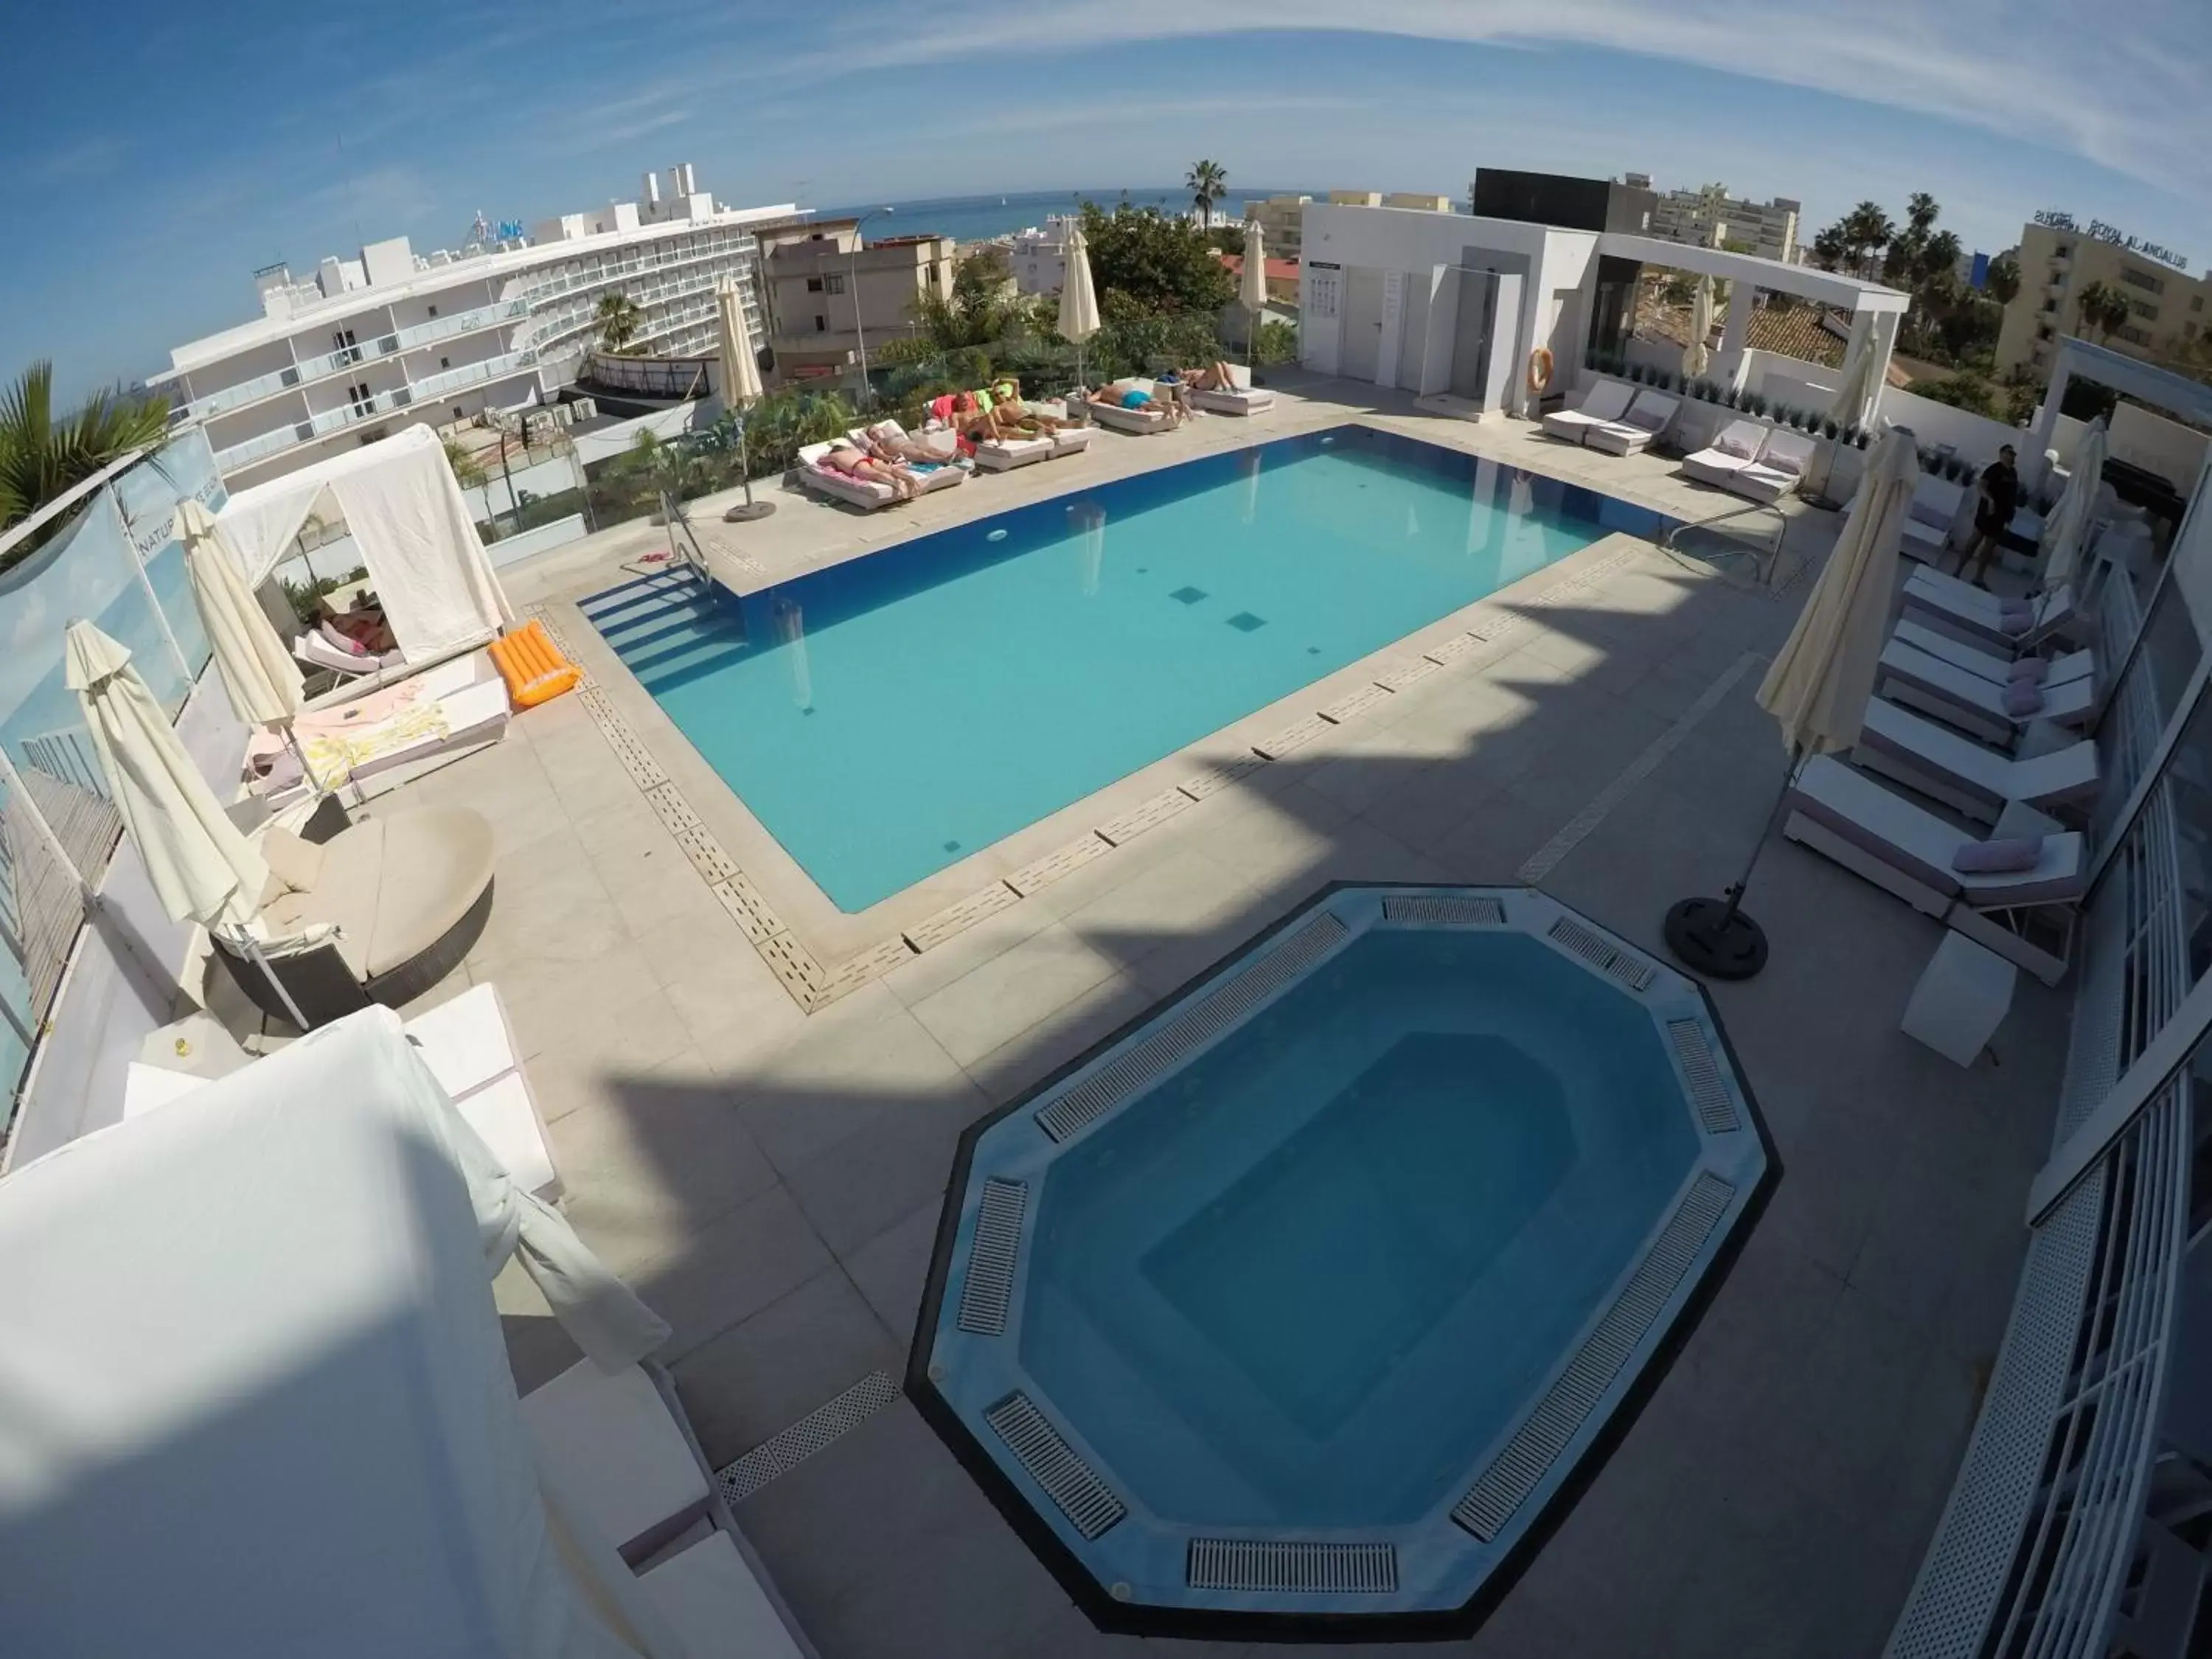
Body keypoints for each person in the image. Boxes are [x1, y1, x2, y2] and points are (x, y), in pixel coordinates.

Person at [1958, 444, 2020, 588]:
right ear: (2002, 454)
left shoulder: (2013, 473)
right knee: (1975, 540)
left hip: (2002, 515)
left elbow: (2013, 494)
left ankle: (1979, 577)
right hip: (1987, 512)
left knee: (1990, 546)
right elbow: (1981, 486)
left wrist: (2012, 512)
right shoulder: (1994, 469)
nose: (2012, 456)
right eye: (2010, 453)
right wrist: (1990, 500)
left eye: (2014, 454)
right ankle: (1958, 570)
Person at [818, 440, 919, 500]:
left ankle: (896, 483)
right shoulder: (851, 449)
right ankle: (909, 477)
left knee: (876, 474)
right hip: (869, 459)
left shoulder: (834, 455)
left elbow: (820, 460)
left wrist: (827, 456)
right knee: (890, 469)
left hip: (857, 465)